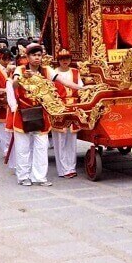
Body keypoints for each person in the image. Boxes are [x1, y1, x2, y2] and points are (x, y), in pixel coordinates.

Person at [11, 43, 82, 186]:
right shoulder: (20, 69)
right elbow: (14, 84)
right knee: (23, 147)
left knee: (41, 147)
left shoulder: (46, 70)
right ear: (28, 57)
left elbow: (64, 81)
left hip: (41, 113)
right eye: (34, 55)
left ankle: (39, 177)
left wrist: (83, 88)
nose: (37, 58)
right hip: (23, 113)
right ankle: (23, 176)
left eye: (39, 55)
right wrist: (22, 78)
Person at [51, 49, 82, 178]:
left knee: (71, 139)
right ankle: (63, 169)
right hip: (59, 108)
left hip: (73, 108)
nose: (65, 61)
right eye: (62, 59)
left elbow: (81, 87)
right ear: (58, 60)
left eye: (67, 58)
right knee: (59, 140)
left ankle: (71, 167)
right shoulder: (53, 73)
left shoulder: (75, 72)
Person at [0, 48, 14, 167]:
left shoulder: (13, 69)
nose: (7, 61)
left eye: (8, 59)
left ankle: (12, 149)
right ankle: (5, 150)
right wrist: (8, 90)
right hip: (2, 102)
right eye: (4, 59)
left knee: (11, 128)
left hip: (11, 103)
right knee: (3, 129)